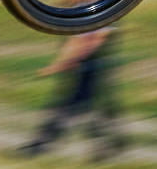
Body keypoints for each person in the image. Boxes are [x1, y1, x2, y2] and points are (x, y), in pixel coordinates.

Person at [18, 26, 125, 161]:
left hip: (89, 67)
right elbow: (81, 40)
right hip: (88, 66)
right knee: (90, 107)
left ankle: (41, 144)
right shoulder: (92, 17)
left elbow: (92, 40)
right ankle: (112, 144)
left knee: (73, 108)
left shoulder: (93, 18)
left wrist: (60, 64)